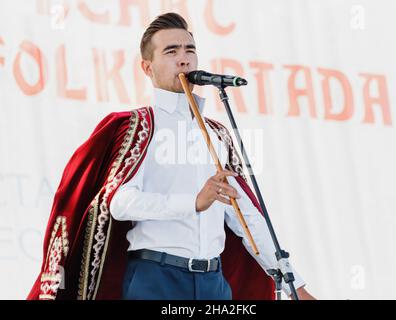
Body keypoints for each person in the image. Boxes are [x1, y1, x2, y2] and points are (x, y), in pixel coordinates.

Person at [28, 12, 314, 300]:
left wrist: (295, 286)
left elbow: (246, 216)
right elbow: (120, 203)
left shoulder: (217, 134)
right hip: (156, 278)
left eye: (190, 49)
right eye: (171, 51)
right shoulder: (138, 127)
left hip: (213, 283)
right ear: (147, 67)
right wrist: (194, 202)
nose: (184, 58)